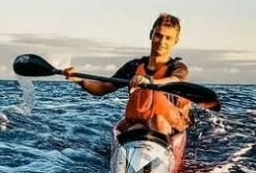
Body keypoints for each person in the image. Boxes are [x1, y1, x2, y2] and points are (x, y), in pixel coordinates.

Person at [63, 13, 191, 138]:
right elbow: (102, 87)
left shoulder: (178, 68)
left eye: (168, 38)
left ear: (176, 41)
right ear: (151, 34)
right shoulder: (133, 67)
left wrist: (150, 81)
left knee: (158, 122)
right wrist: (79, 80)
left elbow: (175, 80)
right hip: (140, 123)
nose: (162, 41)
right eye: (158, 35)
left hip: (168, 126)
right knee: (136, 129)